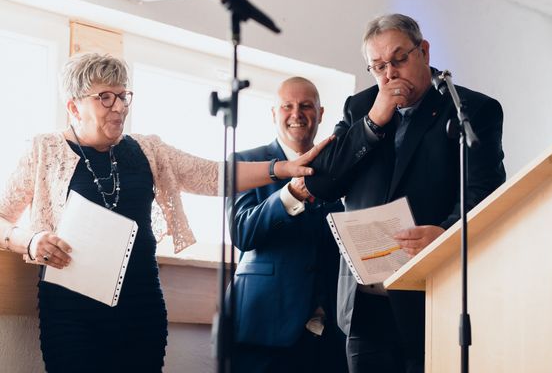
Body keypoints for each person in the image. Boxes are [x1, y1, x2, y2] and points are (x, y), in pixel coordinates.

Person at [0, 53, 330, 373]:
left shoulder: (148, 149)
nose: (118, 107)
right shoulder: (44, 149)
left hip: (141, 306)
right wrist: (30, 241)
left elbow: (213, 175)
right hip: (71, 310)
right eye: (104, 97)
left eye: (122, 96)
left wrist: (283, 168)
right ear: (74, 106)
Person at [305, 13, 506, 373]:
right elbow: (322, 183)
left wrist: (445, 234)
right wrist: (373, 122)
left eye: (399, 59)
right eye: (378, 66)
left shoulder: (473, 109)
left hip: (434, 293)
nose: (390, 74)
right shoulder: (359, 107)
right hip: (365, 302)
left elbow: (484, 191)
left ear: (424, 51)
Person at [227, 77, 348, 373]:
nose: (297, 114)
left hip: (331, 333)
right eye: (287, 106)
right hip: (263, 329)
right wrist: (290, 195)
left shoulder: (340, 167)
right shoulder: (245, 162)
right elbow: (242, 231)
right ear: (274, 114)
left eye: (306, 106)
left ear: (320, 113)